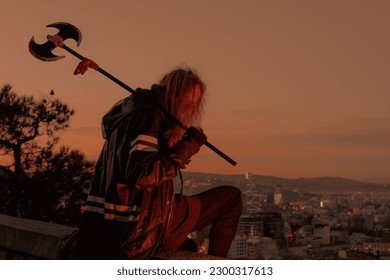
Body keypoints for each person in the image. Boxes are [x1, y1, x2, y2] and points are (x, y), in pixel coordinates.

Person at [76, 67, 242, 259]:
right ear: (174, 96)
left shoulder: (133, 112)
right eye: (188, 104)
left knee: (189, 244)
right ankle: (218, 267)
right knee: (232, 197)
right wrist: (187, 147)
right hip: (141, 225)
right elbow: (145, 175)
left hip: (120, 222)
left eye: (195, 105)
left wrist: (174, 144)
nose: (191, 111)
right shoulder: (148, 117)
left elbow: (140, 163)